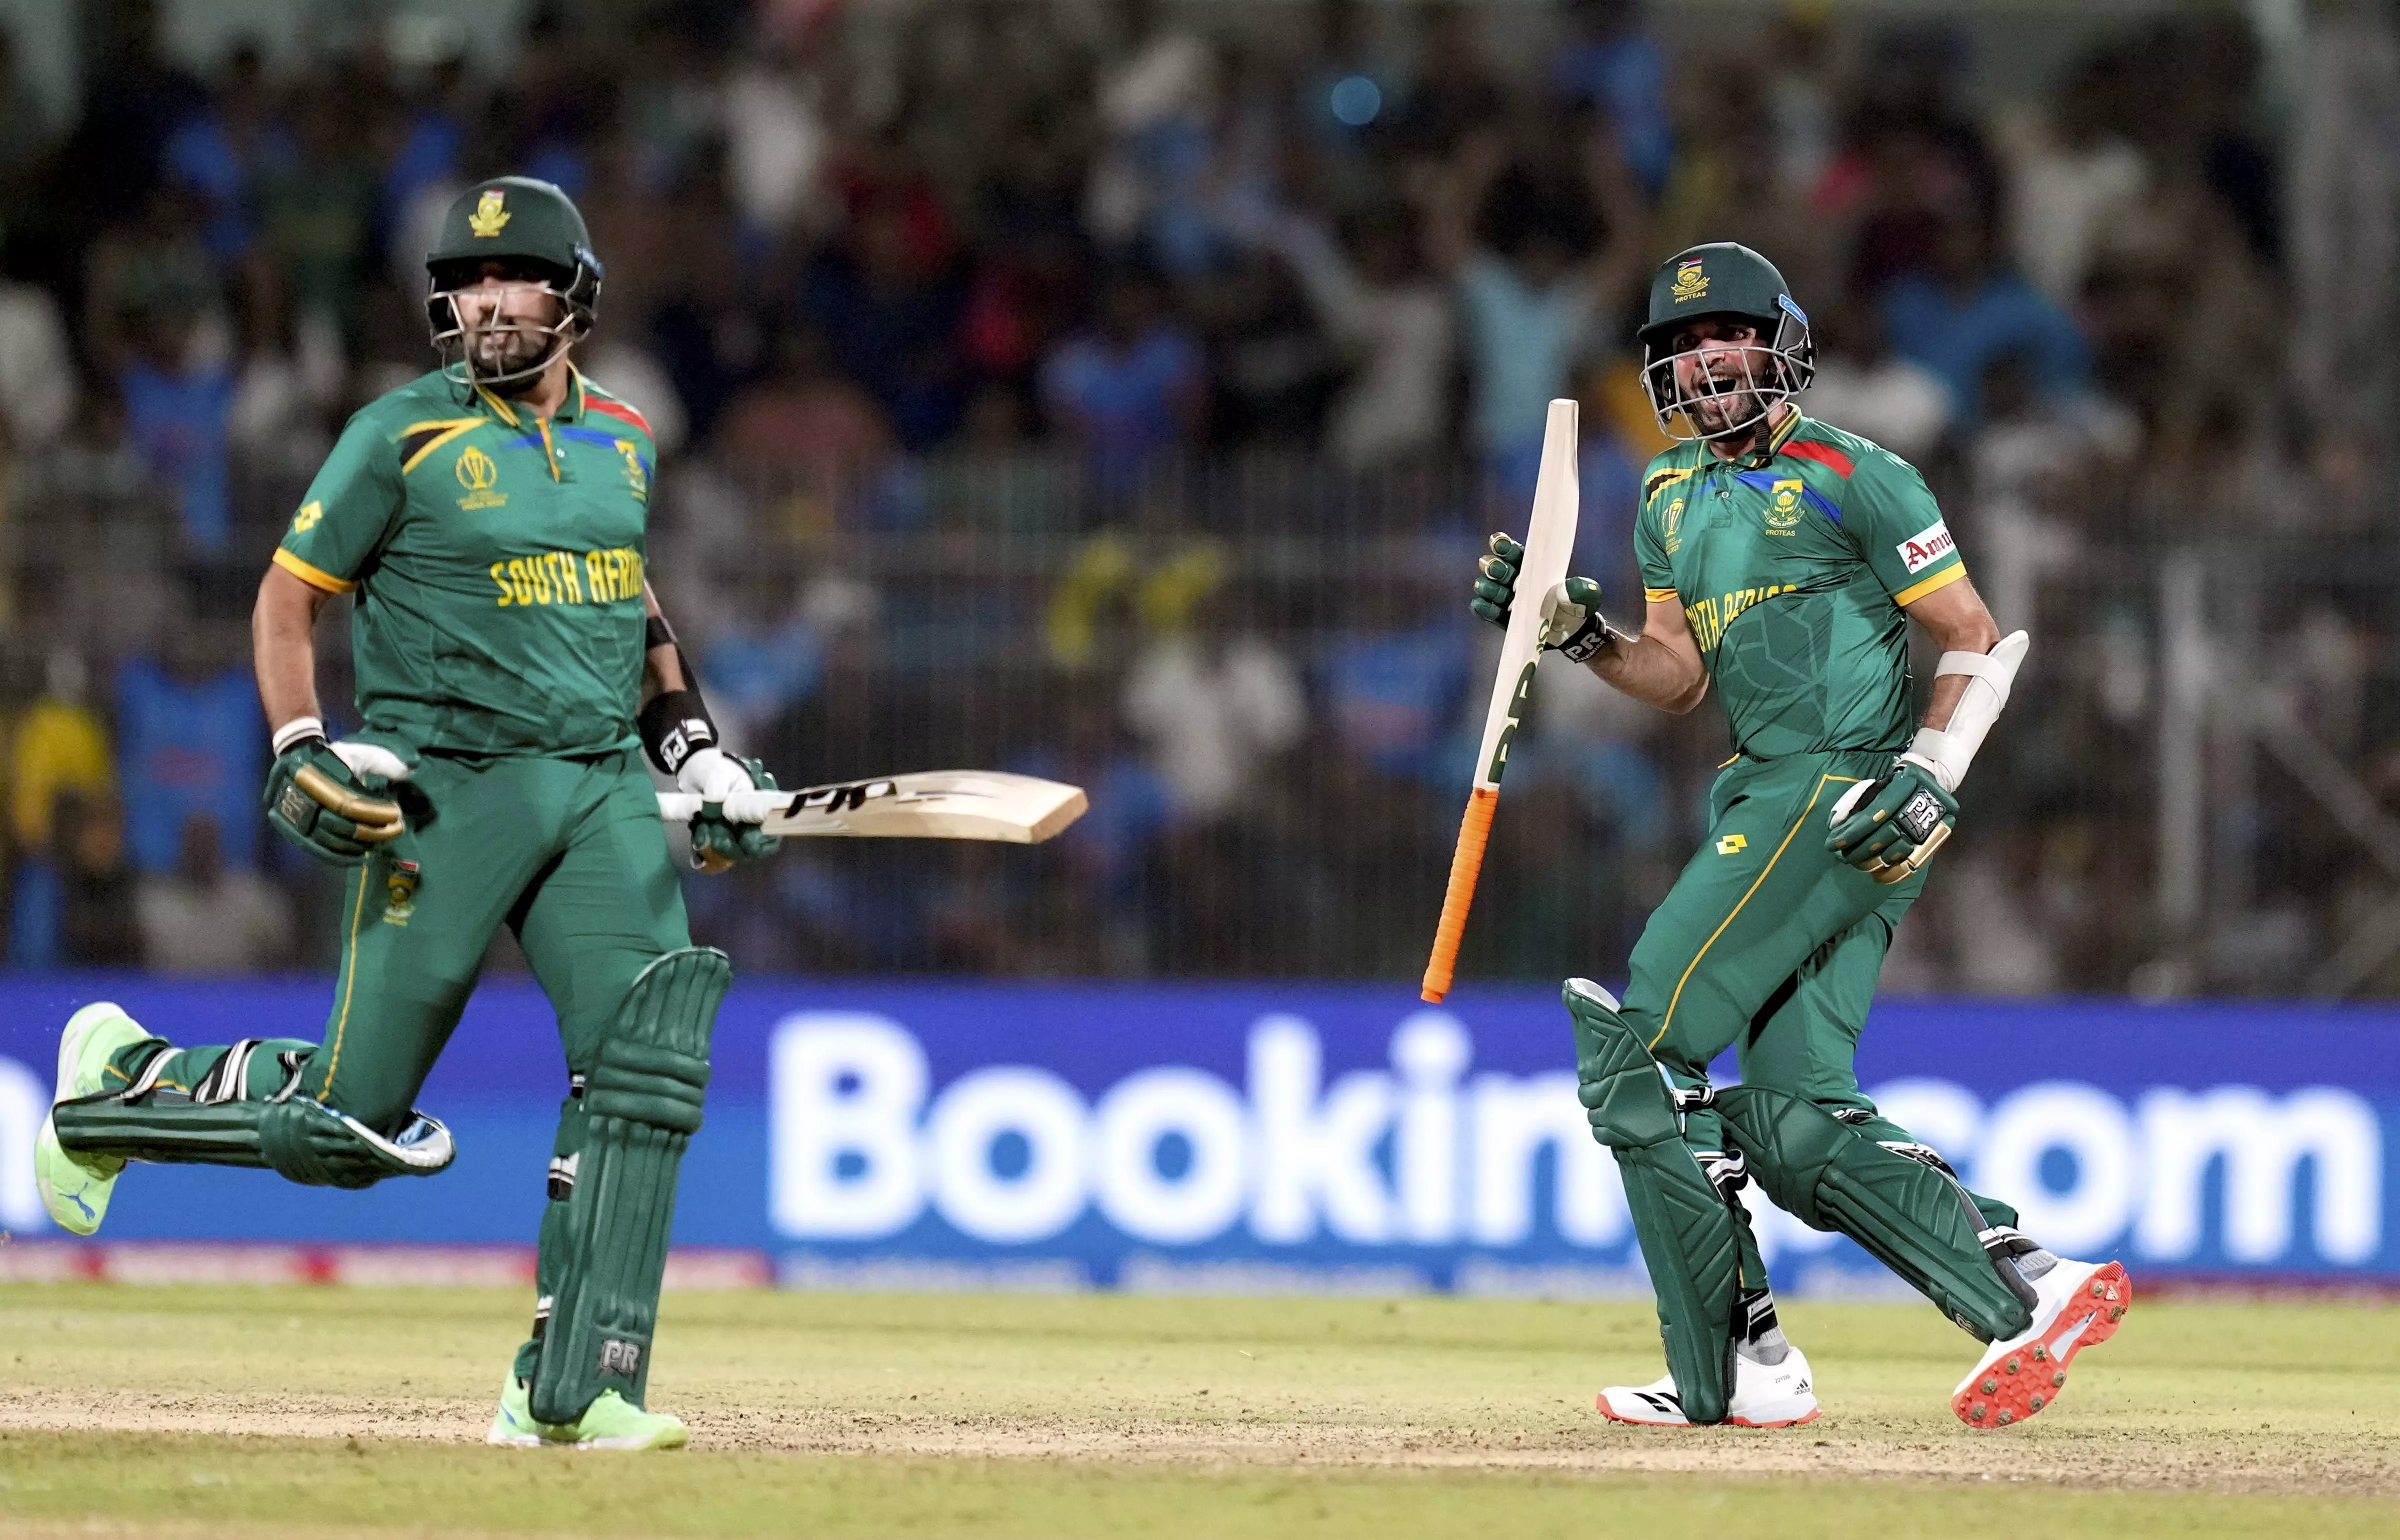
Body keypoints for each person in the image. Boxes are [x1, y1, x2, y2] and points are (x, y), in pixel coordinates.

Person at [33, 177, 783, 1451]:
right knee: (347, 1120)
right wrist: (296, 742)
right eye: (467, 283)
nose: (487, 303)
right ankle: (116, 1090)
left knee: (647, 1061)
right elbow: (285, 600)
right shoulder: (399, 435)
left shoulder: (625, 439)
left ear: (577, 297)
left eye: (517, 279)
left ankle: (573, 1388)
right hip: (447, 788)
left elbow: (635, 615)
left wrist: (700, 753)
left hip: (600, 784)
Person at [1470, 243, 2129, 1431]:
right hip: (1772, 795)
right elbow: (1674, 678)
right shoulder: (1668, 496)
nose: (1698, 359)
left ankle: (1739, 1367)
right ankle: (2032, 1280)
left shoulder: (1858, 474)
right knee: (1789, 1120)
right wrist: (1576, 630)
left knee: (1642, 1052)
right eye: (1674, 346)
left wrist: (1932, 772)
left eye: (1722, 333)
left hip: (1837, 793)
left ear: (1783, 341)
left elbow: (1976, 636)